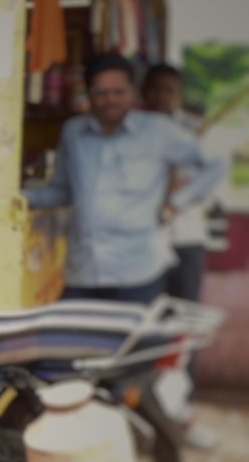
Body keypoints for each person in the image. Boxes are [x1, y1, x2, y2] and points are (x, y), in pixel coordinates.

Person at [24, 52, 225, 304]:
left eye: (118, 91)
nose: (110, 99)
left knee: (140, 342)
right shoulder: (73, 132)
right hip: (84, 272)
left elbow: (216, 164)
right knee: (72, 342)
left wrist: (176, 203)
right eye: (100, 92)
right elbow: (62, 191)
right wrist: (16, 198)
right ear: (88, 93)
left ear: (132, 92)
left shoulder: (157, 130)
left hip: (138, 272)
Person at [141, 62, 224, 449]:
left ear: (177, 94)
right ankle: (145, 415)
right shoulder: (133, 130)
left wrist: (176, 199)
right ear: (145, 92)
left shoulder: (191, 131)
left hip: (185, 239)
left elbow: (213, 173)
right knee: (147, 326)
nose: (161, 97)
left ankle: (180, 413)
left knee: (183, 326)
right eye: (155, 89)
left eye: (168, 90)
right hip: (144, 244)